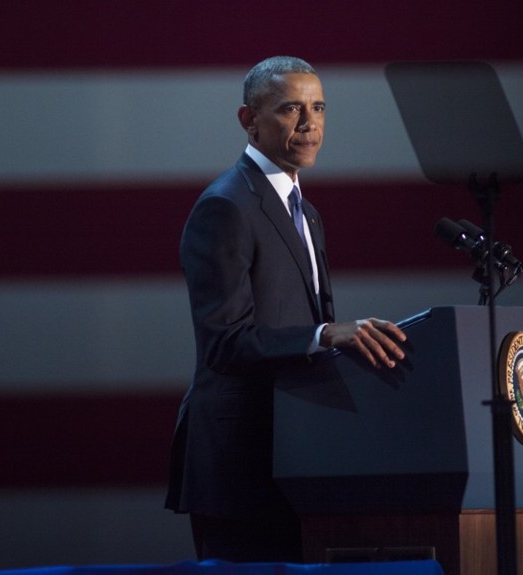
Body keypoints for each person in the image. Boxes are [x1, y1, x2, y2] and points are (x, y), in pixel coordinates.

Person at [165, 56, 407, 563]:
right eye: (290, 109)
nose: (309, 123)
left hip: (297, 455)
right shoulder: (226, 207)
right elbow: (224, 342)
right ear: (248, 120)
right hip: (239, 467)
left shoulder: (306, 212)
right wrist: (326, 335)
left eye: (318, 108)